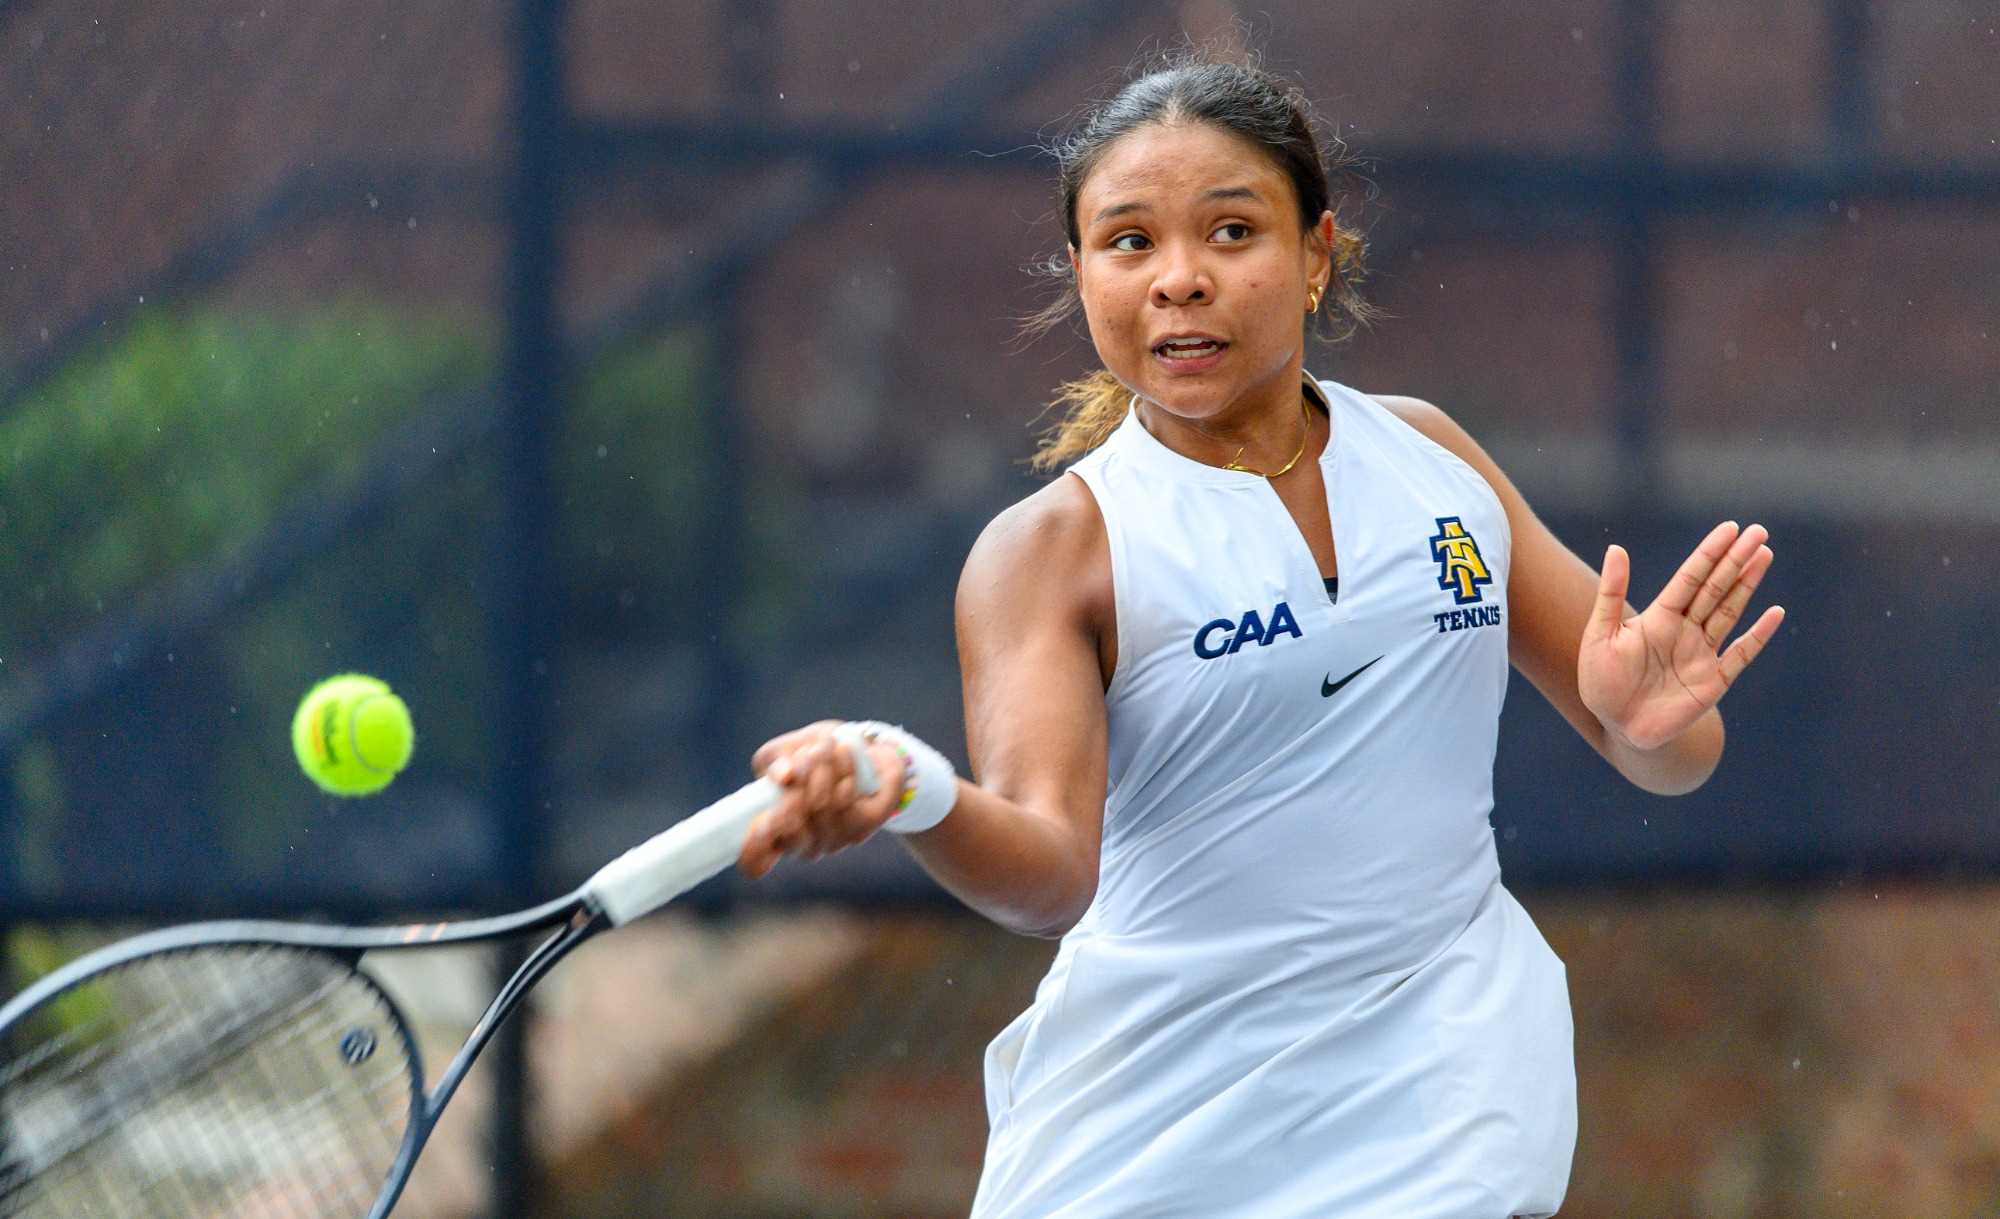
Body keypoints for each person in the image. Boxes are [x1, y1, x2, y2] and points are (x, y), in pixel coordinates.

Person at [736, 52, 1783, 1219]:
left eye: (1231, 232)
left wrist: (1642, 725)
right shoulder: (1048, 552)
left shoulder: (1434, 459)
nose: (1178, 279)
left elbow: (1670, 756)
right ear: (1081, 274)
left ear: (1316, 255)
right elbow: (1045, 875)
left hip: (1445, 1107)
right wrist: (908, 784)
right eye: (1129, 242)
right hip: (1149, 1140)